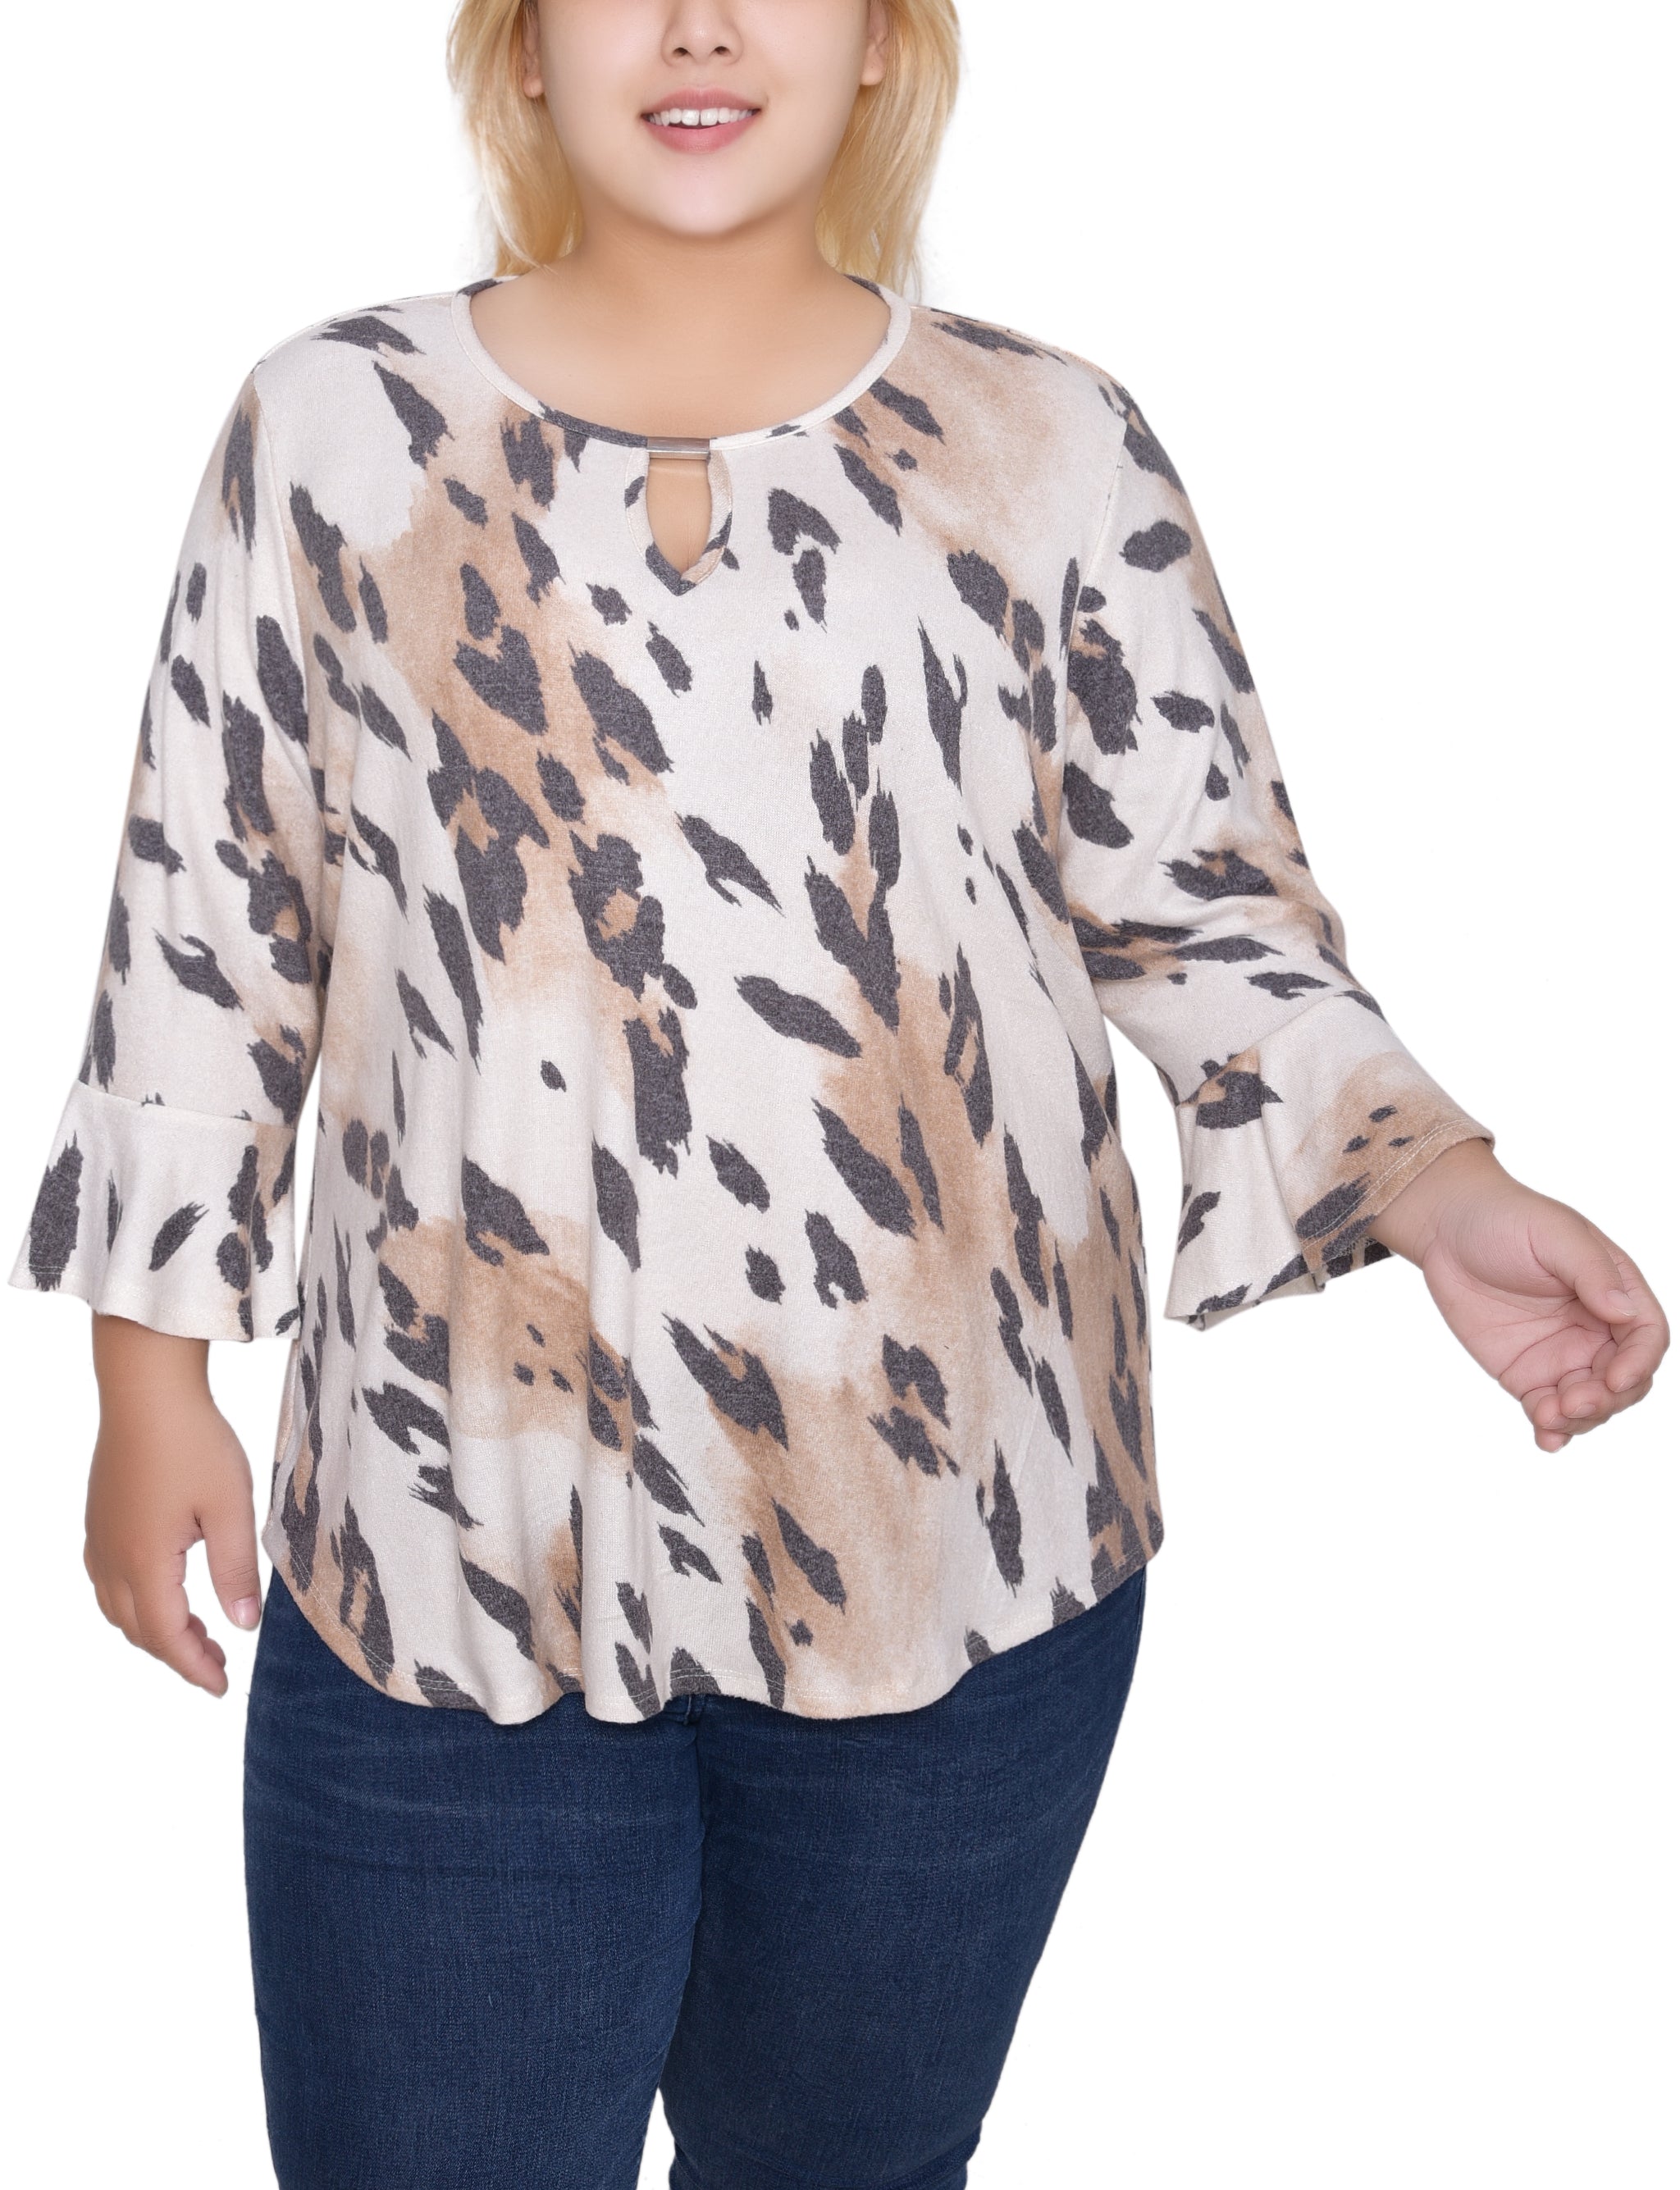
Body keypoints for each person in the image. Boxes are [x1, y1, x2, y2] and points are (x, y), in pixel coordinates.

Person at [9, 2, 1668, 2186]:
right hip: (446, 1556)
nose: (700, 21)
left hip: (962, 1565)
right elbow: (207, 931)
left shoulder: (1050, 441)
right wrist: (148, 1382)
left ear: (885, 41)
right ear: (521, 45)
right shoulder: (327, 428)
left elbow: (1206, 910)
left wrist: (1437, 1183)